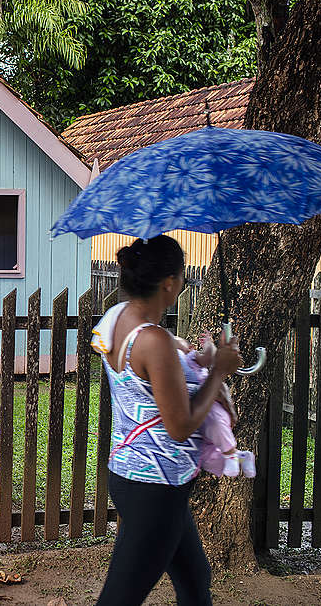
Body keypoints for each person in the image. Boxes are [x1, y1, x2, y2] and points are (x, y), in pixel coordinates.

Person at [92, 236, 242, 606]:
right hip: (155, 487)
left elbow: (165, 360)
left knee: (195, 580)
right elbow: (179, 426)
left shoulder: (118, 318)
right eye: (183, 276)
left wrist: (199, 356)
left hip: (136, 477)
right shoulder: (153, 339)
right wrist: (219, 372)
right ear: (170, 283)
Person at [178, 334, 256, 478]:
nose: (175, 349)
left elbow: (210, 357)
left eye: (178, 346)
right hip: (196, 418)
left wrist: (208, 343)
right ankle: (242, 458)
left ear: (190, 348)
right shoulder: (171, 365)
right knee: (206, 456)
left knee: (214, 423)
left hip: (211, 405)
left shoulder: (191, 358)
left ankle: (230, 453)